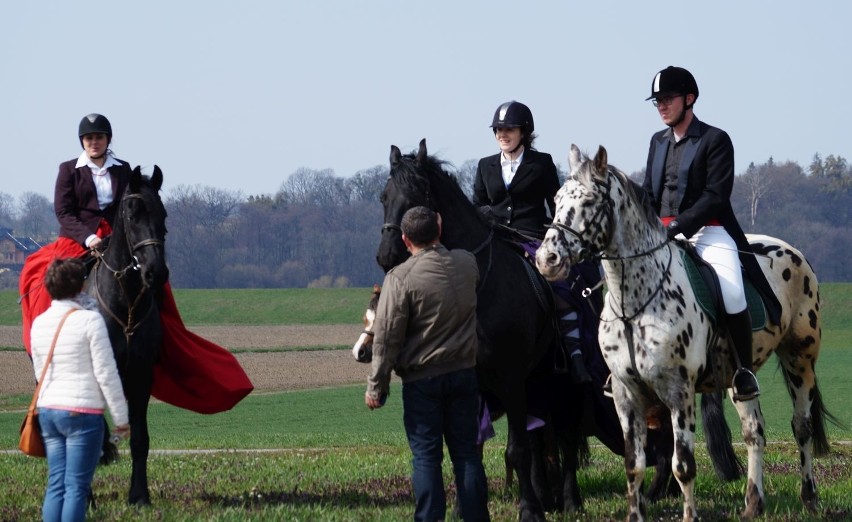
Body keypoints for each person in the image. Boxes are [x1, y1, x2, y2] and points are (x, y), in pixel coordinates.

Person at [19, 113, 253, 414]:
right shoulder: (69, 170)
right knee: (45, 283)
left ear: (107, 140)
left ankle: (163, 337)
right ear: (83, 142)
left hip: (119, 239)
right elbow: (64, 212)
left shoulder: (123, 169)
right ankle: (44, 356)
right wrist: (89, 238)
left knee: (156, 279)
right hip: (79, 240)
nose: (94, 142)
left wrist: (121, 237)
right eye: (89, 138)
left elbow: (130, 207)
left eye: (99, 137)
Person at [641, 66, 781, 402]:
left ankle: (743, 371)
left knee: (732, 292)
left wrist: (680, 225)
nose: (661, 105)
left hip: (708, 230)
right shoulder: (657, 142)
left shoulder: (715, 140)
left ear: (689, 99)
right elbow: (649, 192)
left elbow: (716, 196)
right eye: (657, 101)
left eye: (668, 99)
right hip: (662, 233)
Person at [365, 206, 490, 522]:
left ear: (405, 240)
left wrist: (376, 387)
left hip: (423, 381)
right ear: (440, 226)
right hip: (464, 374)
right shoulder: (467, 264)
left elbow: (387, 337)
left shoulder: (400, 278)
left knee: (426, 458)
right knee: (466, 457)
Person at [472, 100, 595, 384]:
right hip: (497, 241)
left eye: (509, 129)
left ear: (524, 132)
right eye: (498, 130)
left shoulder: (541, 163)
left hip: (533, 240)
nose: (502, 134)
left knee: (561, 290)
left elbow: (557, 206)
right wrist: (487, 215)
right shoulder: (485, 165)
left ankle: (574, 356)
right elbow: (478, 204)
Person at [31, 257, 130, 522]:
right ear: (80, 286)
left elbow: (40, 372)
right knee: (76, 487)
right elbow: (106, 374)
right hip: (82, 414)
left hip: (49, 412)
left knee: (56, 485)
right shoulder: (90, 321)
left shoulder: (38, 323)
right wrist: (121, 419)